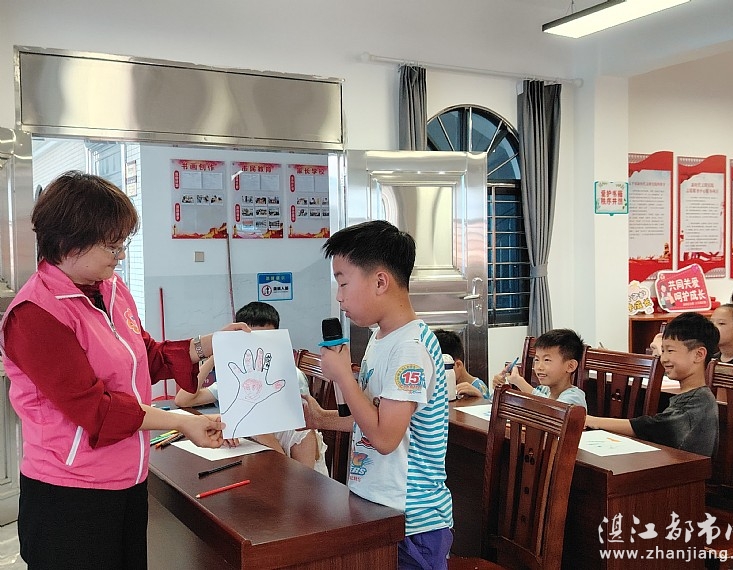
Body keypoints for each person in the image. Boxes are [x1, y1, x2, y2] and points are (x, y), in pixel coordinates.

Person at [0, 171, 246, 569]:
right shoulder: (35, 314)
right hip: (69, 493)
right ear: (70, 243)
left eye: (122, 244)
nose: (121, 256)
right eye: (112, 246)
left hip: (128, 478)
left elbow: (145, 356)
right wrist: (181, 421)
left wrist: (209, 342)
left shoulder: (110, 289)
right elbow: (96, 408)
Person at [301, 220, 453, 570]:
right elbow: (372, 418)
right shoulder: (382, 337)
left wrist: (344, 377)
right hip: (380, 509)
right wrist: (321, 419)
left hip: (412, 523)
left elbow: (384, 438)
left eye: (343, 282)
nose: (339, 296)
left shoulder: (410, 347)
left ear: (380, 282)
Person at [175, 301, 328, 476]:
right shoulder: (243, 379)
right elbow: (183, 399)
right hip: (260, 470)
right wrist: (216, 354)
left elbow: (295, 475)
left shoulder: (290, 378)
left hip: (295, 474)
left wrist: (246, 427)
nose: (257, 347)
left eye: (265, 340)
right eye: (250, 341)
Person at [584, 312, 719, 457]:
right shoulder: (693, 395)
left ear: (699, 355)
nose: (663, 358)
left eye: (670, 351)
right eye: (663, 351)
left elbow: (652, 427)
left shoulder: (699, 402)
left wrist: (593, 421)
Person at [493, 328, 587, 409]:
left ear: (570, 366)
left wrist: (519, 382)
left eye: (547, 360)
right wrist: (500, 389)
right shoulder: (543, 390)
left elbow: (553, 411)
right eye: (537, 360)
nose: (539, 367)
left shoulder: (574, 397)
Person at [433, 329, 490, 399]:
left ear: (458, 365)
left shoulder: (479, 387)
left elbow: (488, 405)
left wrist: (479, 398)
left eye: (441, 369)